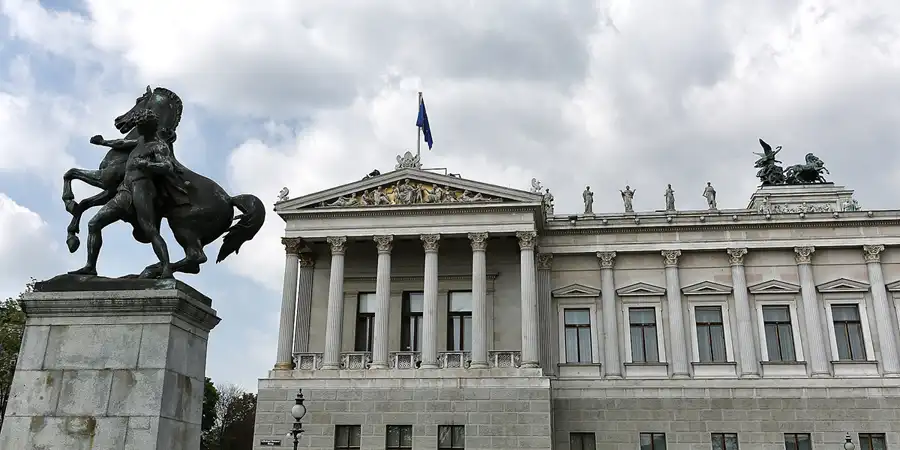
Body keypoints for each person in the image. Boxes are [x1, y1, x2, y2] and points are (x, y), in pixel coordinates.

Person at [73, 109, 185, 278]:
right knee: (94, 224)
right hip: (125, 190)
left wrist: (147, 165)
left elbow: (167, 167)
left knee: (150, 230)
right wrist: (103, 142)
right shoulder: (140, 140)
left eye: (141, 127)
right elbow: (121, 144)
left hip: (143, 190)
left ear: (149, 128)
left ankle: (167, 269)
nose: (138, 130)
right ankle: (90, 266)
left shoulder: (159, 146)